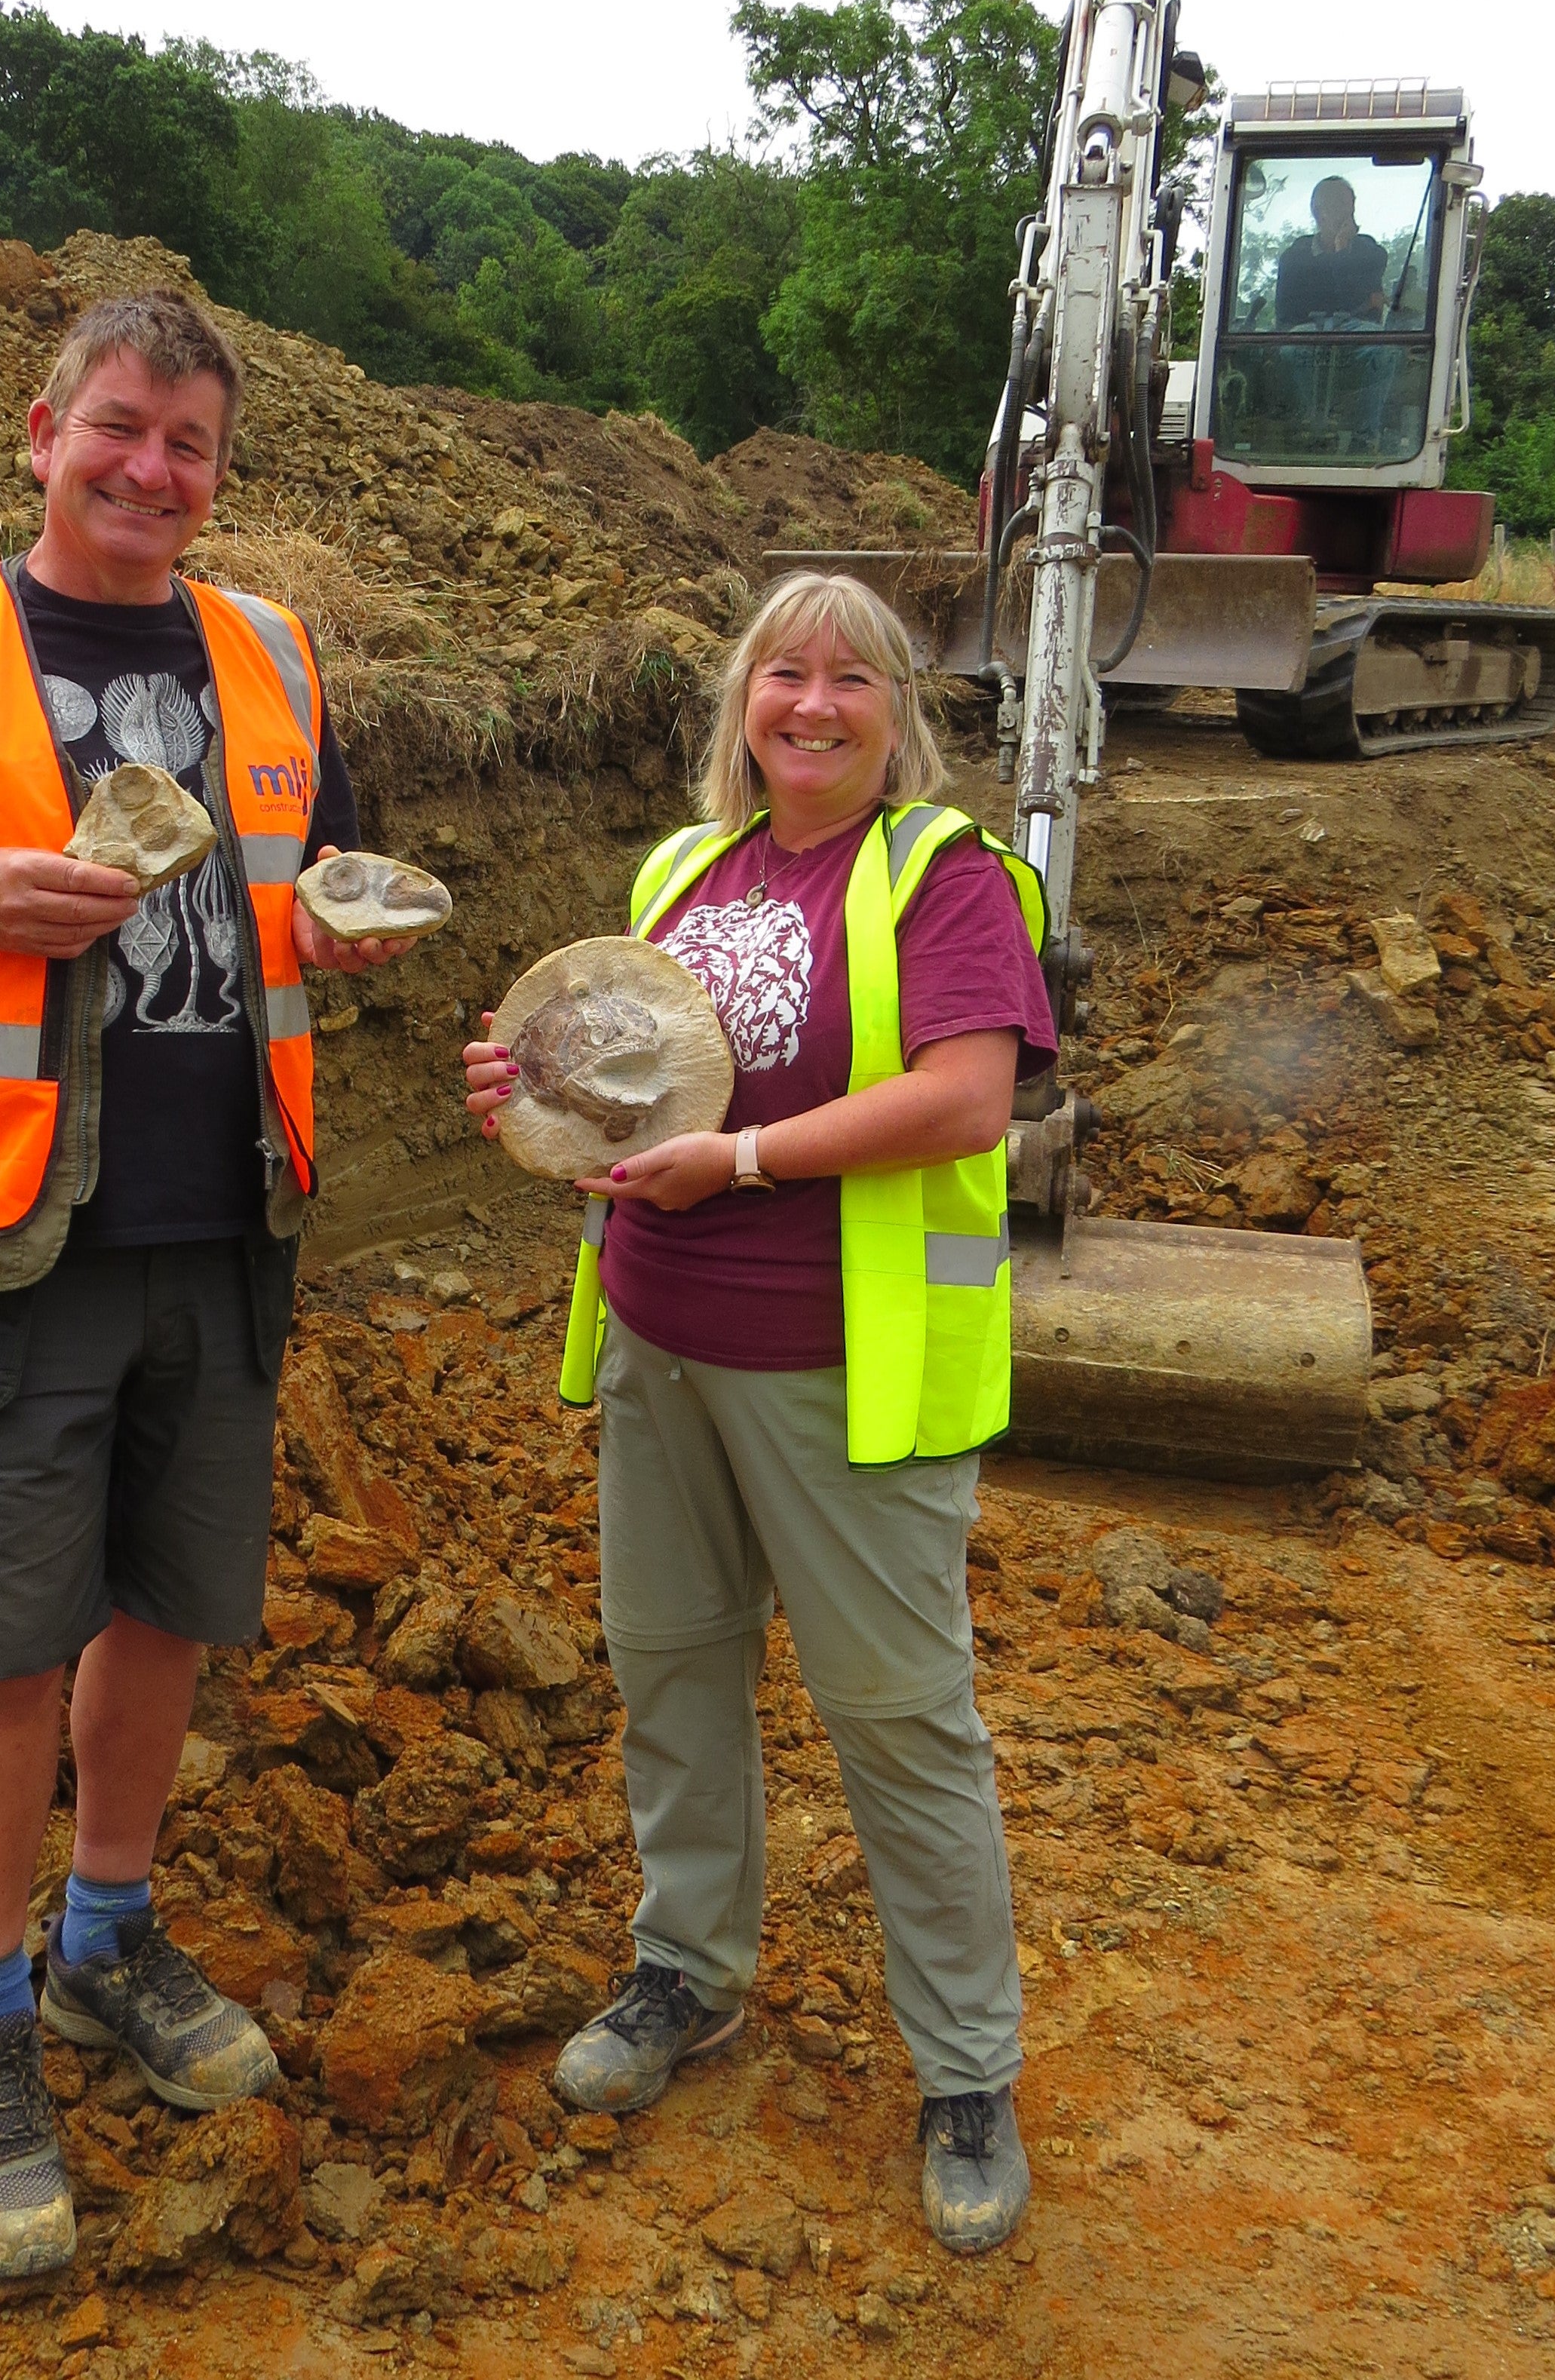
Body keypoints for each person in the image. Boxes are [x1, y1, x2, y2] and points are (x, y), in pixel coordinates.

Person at [0, 291, 416, 2281]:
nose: (149, 470)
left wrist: (355, 929)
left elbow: (327, 884)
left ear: (220, 472)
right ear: (43, 431)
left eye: (188, 446)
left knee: (161, 1608)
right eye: (118, 429)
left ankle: (106, 1935)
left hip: (224, 1223)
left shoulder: (271, 651)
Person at [461, 572, 1055, 2256]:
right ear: (741, 702)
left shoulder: (942, 875)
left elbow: (964, 1096)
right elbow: (627, 1070)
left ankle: (963, 2066)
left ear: (895, 711)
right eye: (782, 673)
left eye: (849, 677)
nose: (812, 702)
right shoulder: (680, 871)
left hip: (842, 1370)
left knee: (899, 1721)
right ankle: (689, 1973)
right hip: (662, 1347)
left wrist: (746, 1159)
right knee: (673, 1675)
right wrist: (530, 1086)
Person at [1274, 174, 1386, 327]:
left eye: (1350, 204)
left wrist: (1341, 249)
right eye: (1338, 203)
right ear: (1317, 212)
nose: (1347, 211)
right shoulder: (1294, 258)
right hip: (1305, 339)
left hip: (1358, 338)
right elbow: (1286, 317)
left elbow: (1367, 308)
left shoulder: (1371, 253)